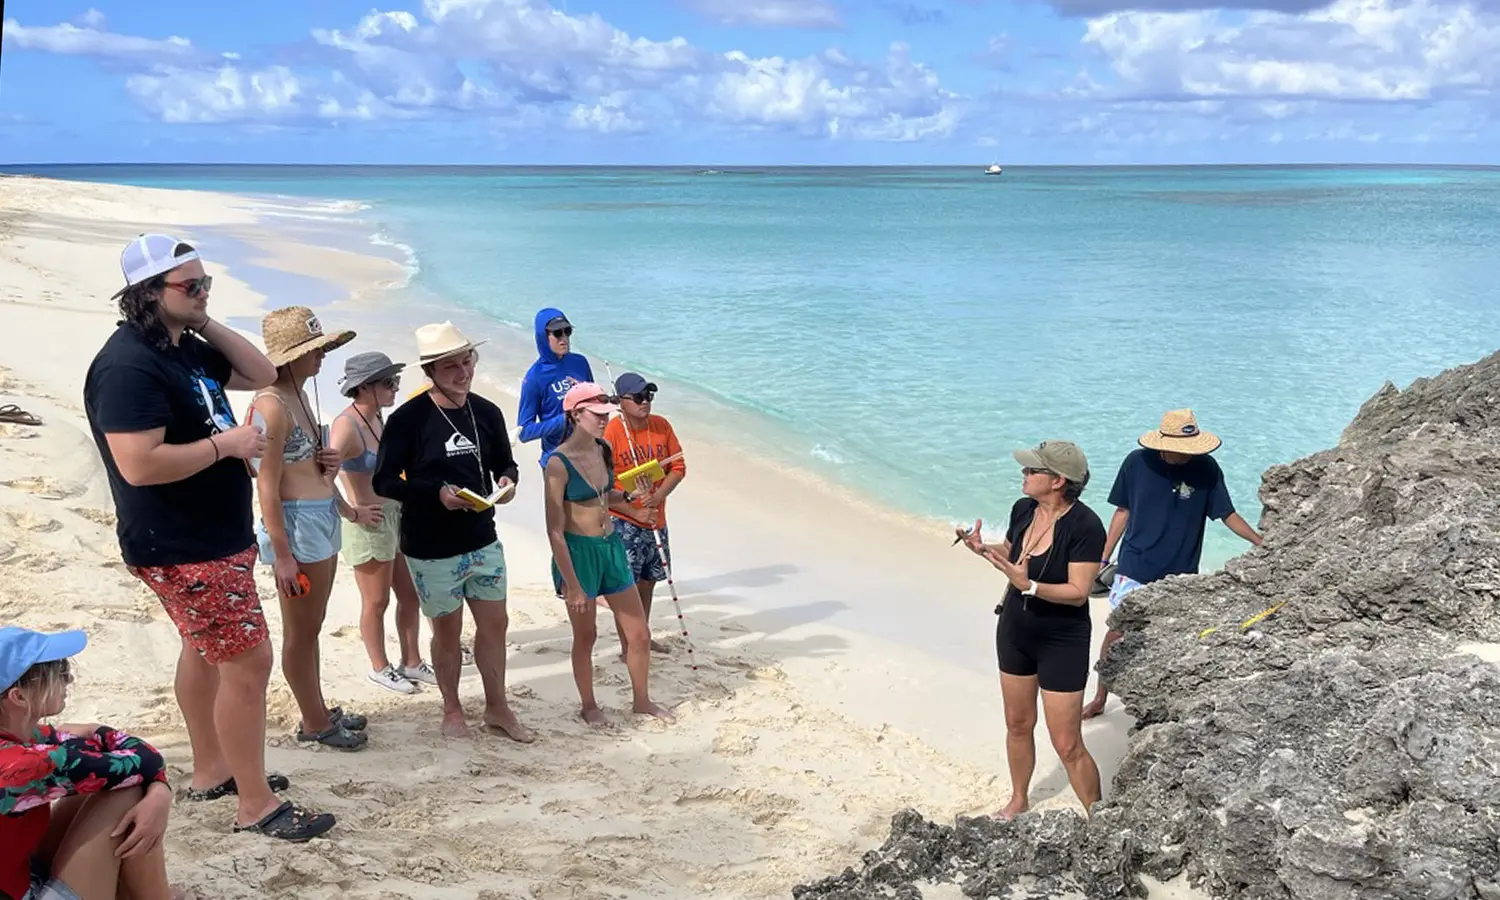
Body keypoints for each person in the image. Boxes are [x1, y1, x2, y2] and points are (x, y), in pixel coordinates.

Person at [83, 234, 333, 841]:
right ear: (147, 293)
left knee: (206, 651)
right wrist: (229, 445)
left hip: (214, 536)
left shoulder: (183, 347)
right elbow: (139, 464)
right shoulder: (127, 364)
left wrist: (200, 315)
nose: (202, 293)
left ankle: (213, 770)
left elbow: (262, 371)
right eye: (188, 285)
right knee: (248, 662)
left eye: (206, 283)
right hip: (181, 543)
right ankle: (255, 803)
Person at [372, 322, 533, 742]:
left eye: (468, 361)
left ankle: (498, 707)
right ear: (430, 372)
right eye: (451, 367)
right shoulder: (409, 419)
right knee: (446, 631)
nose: (463, 373)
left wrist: (507, 483)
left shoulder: (487, 412)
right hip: (431, 547)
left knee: (496, 624)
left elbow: (505, 462)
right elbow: (384, 482)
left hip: (483, 537)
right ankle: (452, 708)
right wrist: (435, 494)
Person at [957, 440, 1106, 820]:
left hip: (1062, 639)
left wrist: (1032, 587)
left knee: (1067, 742)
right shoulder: (1023, 509)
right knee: (1018, 724)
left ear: (1058, 480)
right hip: (1015, 628)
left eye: (1032, 471)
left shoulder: (1086, 525)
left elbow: (1078, 592)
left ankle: (1100, 817)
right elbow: (1013, 554)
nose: (1024, 475)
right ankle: (1019, 799)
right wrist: (982, 548)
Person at [1082, 410, 1264, 719]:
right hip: (1135, 565)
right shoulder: (1136, 462)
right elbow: (1122, 512)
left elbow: (1226, 514)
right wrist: (1102, 558)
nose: (1186, 455)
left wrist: (1260, 542)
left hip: (1181, 574)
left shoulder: (1206, 468)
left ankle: (1158, 703)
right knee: (1117, 633)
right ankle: (1100, 697)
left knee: (1169, 641)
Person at [248, 306, 368, 751]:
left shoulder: (298, 394)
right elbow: (266, 484)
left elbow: (299, 466)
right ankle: (314, 721)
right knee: (301, 630)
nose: (322, 358)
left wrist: (327, 469)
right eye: (314, 350)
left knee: (313, 626)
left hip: (319, 516)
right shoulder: (271, 404)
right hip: (297, 524)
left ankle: (315, 708)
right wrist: (281, 553)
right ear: (290, 356)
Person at [0, 627, 185, 900]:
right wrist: (160, 790)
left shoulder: (23, 740)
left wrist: (154, 782)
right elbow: (144, 761)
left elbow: (103, 758)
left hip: (18, 877)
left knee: (103, 783)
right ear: (19, 696)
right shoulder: (25, 764)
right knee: (128, 793)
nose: (69, 678)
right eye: (58, 671)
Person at [546, 383, 674, 727]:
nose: (605, 420)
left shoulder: (602, 450)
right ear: (576, 414)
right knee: (585, 637)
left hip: (612, 547)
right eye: (597, 414)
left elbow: (606, 497)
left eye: (607, 414)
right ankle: (589, 705)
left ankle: (642, 700)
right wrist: (571, 584)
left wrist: (632, 499)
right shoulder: (557, 464)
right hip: (578, 552)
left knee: (640, 634)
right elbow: (554, 529)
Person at [330, 351, 437, 695]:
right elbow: (319, 478)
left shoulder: (378, 418)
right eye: (388, 382)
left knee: (410, 594)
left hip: (394, 517)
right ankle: (379, 667)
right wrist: (351, 511)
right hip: (369, 523)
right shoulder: (347, 426)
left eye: (395, 381)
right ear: (365, 387)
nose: (395, 388)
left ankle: (412, 661)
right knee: (376, 602)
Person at [602, 372, 686, 656]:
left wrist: (659, 496)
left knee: (648, 581)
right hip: (624, 519)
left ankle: (642, 636)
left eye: (648, 396)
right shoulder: (612, 431)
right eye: (637, 397)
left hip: (655, 516)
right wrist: (634, 511)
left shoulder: (661, 426)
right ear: (621, 401)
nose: (644, 402)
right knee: (626, 585)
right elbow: (600, 485)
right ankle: (628, 644)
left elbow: (678, 467)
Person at [517, 308, 593, 463]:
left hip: (589, 453)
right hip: (557, 459)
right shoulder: (534, 378)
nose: (564, 338)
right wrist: (564, 420)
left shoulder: (580, 362)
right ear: (544, 337)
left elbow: (594, 402)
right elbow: (524, 432)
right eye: (557, 333)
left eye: (567, 331)